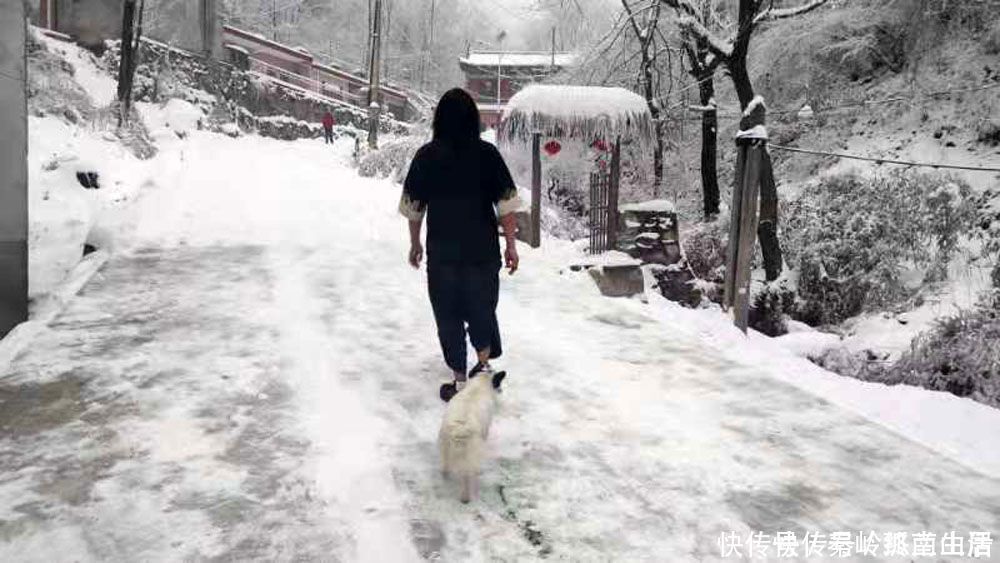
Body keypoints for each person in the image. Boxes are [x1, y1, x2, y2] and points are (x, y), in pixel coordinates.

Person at [399, 88, 521, 402]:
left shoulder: (427, 156)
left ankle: (458, 380)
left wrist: (415, 244)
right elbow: (507, 205)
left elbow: (414, 207)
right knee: (481, 308)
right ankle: (482, 368)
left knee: (448, 314)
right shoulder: (487, 155)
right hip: (481, 254)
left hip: (444, 256)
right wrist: (511, 246)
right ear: (473, 120)